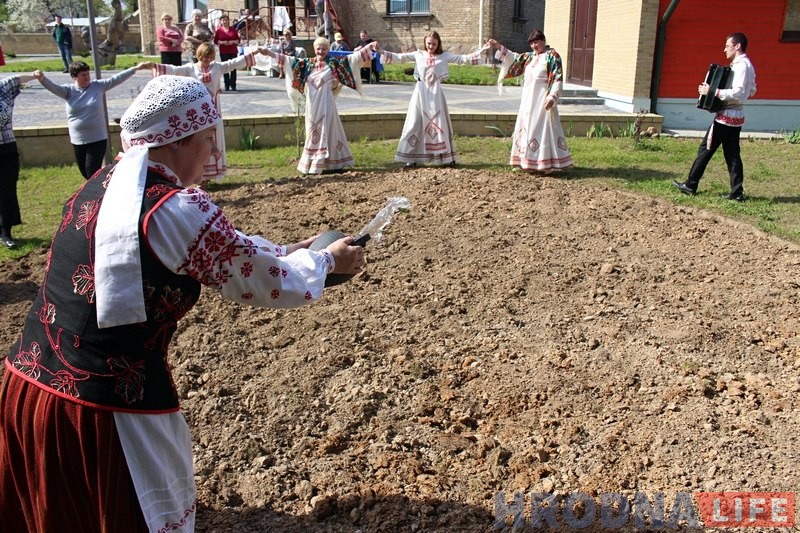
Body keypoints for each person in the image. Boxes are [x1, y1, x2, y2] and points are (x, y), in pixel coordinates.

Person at [0, 75, 365, 533]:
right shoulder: (175, 207)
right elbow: (265, 282)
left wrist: (293, 249)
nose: (214, 154)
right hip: (102, 413)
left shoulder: (105, 183)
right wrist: (326, 263)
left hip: (29, 388)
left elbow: (223, 250)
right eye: (209, 140)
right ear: (177, 141)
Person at [263, 37, 379, 175]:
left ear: (328, 50)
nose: (321, 51)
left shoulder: (333, 64)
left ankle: (329, 163)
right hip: (312, 105)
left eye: (324, 49)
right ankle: (312, 162)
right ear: (314, 49)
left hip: (327, 104)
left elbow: (353, 58)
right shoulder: (307, 64)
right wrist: (269, 53)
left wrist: (370, 46)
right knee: (313, 130)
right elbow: (288, 60)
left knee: (327, 129)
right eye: (318, 48)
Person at [153, 42, 266, 181]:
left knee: (214, 136)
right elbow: (174, 70)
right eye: (205, 57)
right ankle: (198, 174)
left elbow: (233, 63)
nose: (207, 60)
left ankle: (213, 172)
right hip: (196, 109)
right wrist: (153, 66)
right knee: (198, 138)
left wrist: (253, 53)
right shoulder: (191, 69)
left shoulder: (216, 67)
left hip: (213, 106)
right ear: (199, 56)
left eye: (211, 57)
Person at [377, 31, 490, 168]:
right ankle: (411, 157)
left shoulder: (444, 56)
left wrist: (483, 50)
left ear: (438, 44)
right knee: (415, 121)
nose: (431, 46)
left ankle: (444, 157)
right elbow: (399, 58)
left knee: (439, 123)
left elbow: (462, 59)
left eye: (434, 44)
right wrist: (380, 50)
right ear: (425, 42)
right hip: (420, 93)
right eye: (429, 43)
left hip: (436, 95)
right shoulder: (418, 54)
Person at [34, 61, 154, 180]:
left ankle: (99, 195)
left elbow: (116, 79)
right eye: (83, 75)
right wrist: (42, 78)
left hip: (97, 138)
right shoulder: (68, 91)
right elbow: (53, 87)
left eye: (88, 74)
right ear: (74, 77)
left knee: (92, 172)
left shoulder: (97, 86)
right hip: (78, 140)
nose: (87, 77)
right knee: (85, 173)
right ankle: (100, 190)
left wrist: (136, 68)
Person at [673, 32, 757, 202]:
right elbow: (752, 90)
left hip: (726, 117)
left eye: (728, 45)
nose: (725, 49)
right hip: (737, 116)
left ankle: (691, 184)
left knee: (706, 149)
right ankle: (737, 192)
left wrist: (712, 91)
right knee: (732, 155)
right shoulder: (748, 65)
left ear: (737, 46)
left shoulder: (741, 66)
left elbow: (739, 93)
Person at [487, 32, 573, 173]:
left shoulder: (553, 56)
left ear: (543, 41)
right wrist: (498, 46)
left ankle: (544, 163)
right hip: (528, 100)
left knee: (542, 129)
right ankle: (526, 161)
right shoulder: (529, 57)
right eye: (532, 43)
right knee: (527, 127)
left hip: (542, 99)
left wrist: (552, 97)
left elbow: (557, 77)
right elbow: (513, 57)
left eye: (537, 42)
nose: (534, 45)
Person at [0, 73, 37, 249]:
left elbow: (17, 79)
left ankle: (5, 231)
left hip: (7, 148)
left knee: (7, 191)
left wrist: (35, 75)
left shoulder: (3, 88)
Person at [214, 14, 241, 91]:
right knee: (225, 67)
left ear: (228, 21)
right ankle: (226, 85)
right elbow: (216, 41)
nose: (225, 22)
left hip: (233, 50)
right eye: (223, 20)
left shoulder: (233, 29)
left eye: (226, 20)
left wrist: (232, 41)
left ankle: (233, 85)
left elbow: (238, 40)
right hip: (224, 51)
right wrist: (222, 42)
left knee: (233, 67)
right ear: (221, 22)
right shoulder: (219, 30)